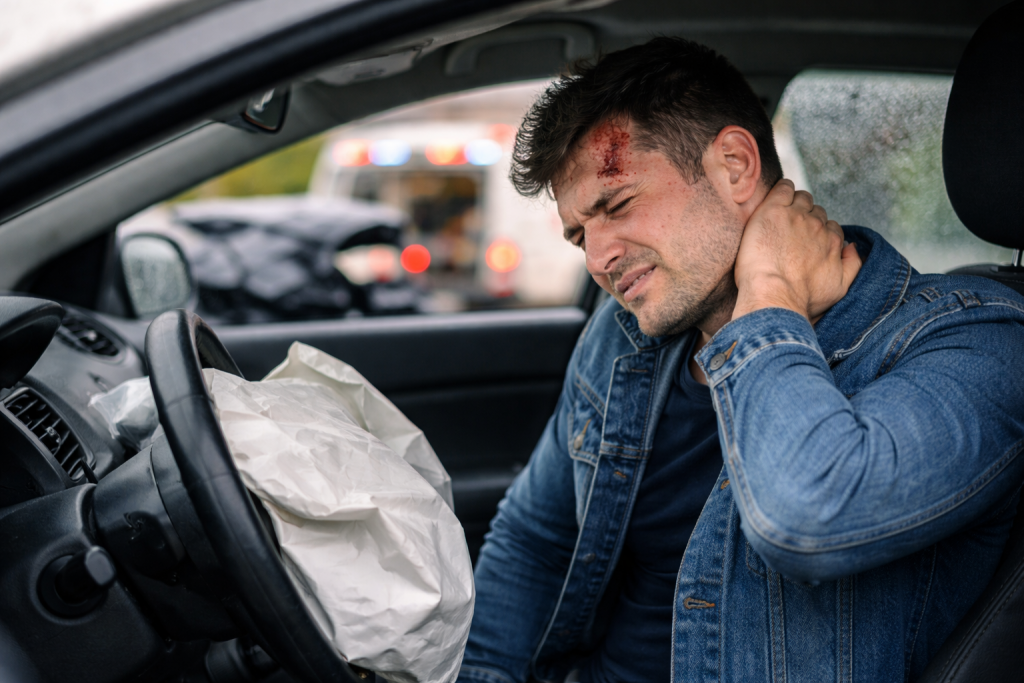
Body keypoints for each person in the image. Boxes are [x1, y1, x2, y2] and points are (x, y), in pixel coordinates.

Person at [456, 37, 1024, 683]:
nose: (599, 259)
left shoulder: (978, 340)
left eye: (617, 205)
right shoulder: (624, 339)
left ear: (734, 166)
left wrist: (768, 292)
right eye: (581, 232)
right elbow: (536, 538)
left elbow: (806, 516)